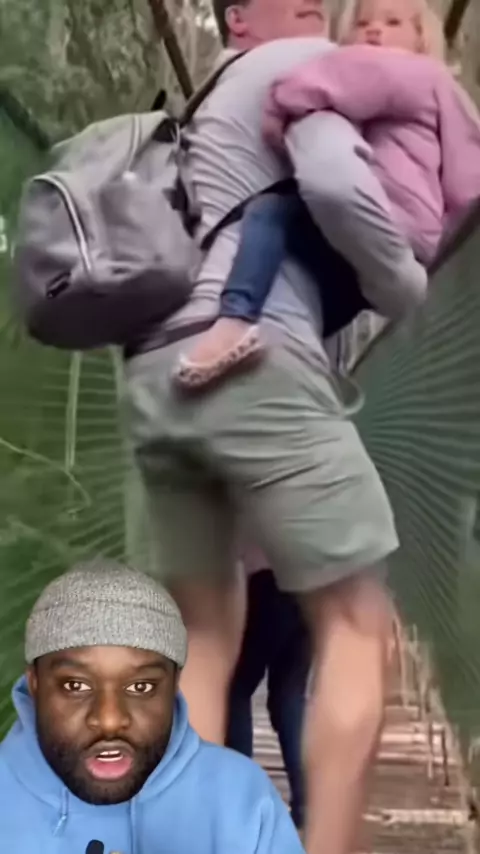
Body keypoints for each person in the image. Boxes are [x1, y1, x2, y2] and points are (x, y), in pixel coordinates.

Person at [123, 4, 418, 853]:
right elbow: (336, 184)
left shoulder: (196, 116)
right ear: (242, 19)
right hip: (249, 361)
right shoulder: (297, 63)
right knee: (357, 625)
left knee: (202, 642)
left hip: (154, 376)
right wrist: (402, 283)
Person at [175, 0, 480, 389]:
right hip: (410, 227)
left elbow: (342, 76)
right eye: (363, 24)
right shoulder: (438, 91)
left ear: (423, 40)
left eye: (393, 22)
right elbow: (466, 178)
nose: (374, 30)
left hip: (388, 207)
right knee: (339, 288)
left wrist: (281, 107)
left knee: (270, 211)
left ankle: (235, 319)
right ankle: (317, 368)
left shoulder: (410, 71)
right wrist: (443, 240)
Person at [0, 559, 304, 852]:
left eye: (141, 687)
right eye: (75, 686)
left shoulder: (243, 800)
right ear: (35, 683)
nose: (109, 720)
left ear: (174, 684)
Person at [227, 555, 310, 829]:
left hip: (261, 582)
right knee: (290, 696)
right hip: (309, 583)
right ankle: (307, 802)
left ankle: (239, 803)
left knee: (234, 690)